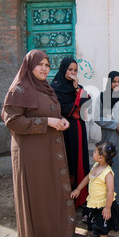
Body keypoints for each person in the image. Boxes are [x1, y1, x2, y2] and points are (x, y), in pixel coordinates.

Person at [1, 49, 75, 237]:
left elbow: (51, 112)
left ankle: (51, 233)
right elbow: (12, 121)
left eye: (47, 65)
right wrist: (47, 122)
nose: (44, 69)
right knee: (33, 195)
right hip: (30, 155)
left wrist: (61, 120)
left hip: (47, 150)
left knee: (47, 193)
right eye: (40, 64)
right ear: (29, 66)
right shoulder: (19, 90)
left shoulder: (46, 89)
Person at [71, 141, 119, 237]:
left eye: (94, 152)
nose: (92, 153)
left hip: (103, 205)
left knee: (103, 226)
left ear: (100, 157)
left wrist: (108, 207)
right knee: (95, 222)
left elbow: (110, 191)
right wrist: (78, 189)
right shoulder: (95, 166)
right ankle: (98, 232)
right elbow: (88, 177)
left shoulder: (107, 173)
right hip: (93, 202)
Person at [51, 57, 91, 208]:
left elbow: (87, 102)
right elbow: (63, 109)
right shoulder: (55, 87)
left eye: (75, 70)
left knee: (79, 159)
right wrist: (77, 106)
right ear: (63, 69)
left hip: (78, 129)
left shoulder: (77, 87)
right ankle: (66, 200)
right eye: (70, 70)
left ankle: (81, 198)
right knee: (66, 161)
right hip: (63, 130)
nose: (73, 73)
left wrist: (76, 88)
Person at [94, 71, 119, 206]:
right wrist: (114, 125)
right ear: (109, 82)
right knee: (110, 167)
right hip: (109, 137)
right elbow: (97, 118)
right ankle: (109, 198)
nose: (116, 84)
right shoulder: (101, 97)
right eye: (114, 81)